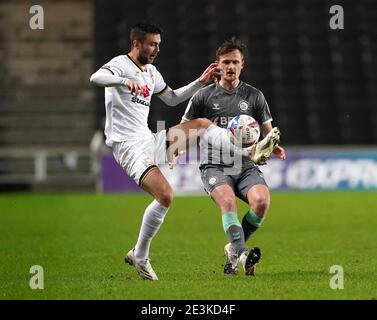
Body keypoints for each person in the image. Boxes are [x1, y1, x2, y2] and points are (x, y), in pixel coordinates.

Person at [90, 23, 271, 280]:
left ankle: (250, 151)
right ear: (137, 44)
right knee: (165, 195)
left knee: (202, 125)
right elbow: (95, 77)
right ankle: (140, 254)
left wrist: (200, 82)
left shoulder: (151, 73)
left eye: (158, 44)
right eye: (152, 44)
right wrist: (124, 81)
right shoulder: (120, 64)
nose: (156, 49)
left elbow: (173, 98)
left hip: (148, 139)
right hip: (127, 145)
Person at [181, 37, 285, 276]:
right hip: (215, 165)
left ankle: (233, 249)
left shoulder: (254, 96)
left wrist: (274, 146)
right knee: (228, 203)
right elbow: (184, 127)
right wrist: (176, 150)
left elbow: (268, 132)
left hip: (245, 165)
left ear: (242, 65)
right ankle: (243, 253)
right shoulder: (203, 96)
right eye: (225, 62)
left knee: (262, 202)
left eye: (234, 62)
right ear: (217, 65)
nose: (230, 67)